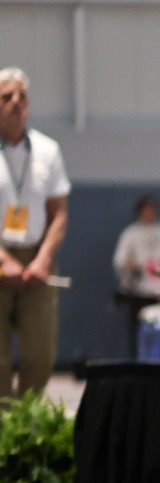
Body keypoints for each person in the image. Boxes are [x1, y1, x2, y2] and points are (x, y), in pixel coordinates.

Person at [0, 68, 70, 399]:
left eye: (22, 96)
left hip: (36, 260)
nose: (16, 102)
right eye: (7, 97)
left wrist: (42, 260)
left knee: (40, 352)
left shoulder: (48, 150)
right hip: (1, 257)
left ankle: (27, 418)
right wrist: (4, 260)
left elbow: (59, 214)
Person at [112, 194, 160, 355]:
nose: (150, 214)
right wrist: (131, 265)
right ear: (139, 212)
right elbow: (120, 261)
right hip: (139, 292)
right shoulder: (130, 234)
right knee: (138, 331)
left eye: (152, 210)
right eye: (146, 210)